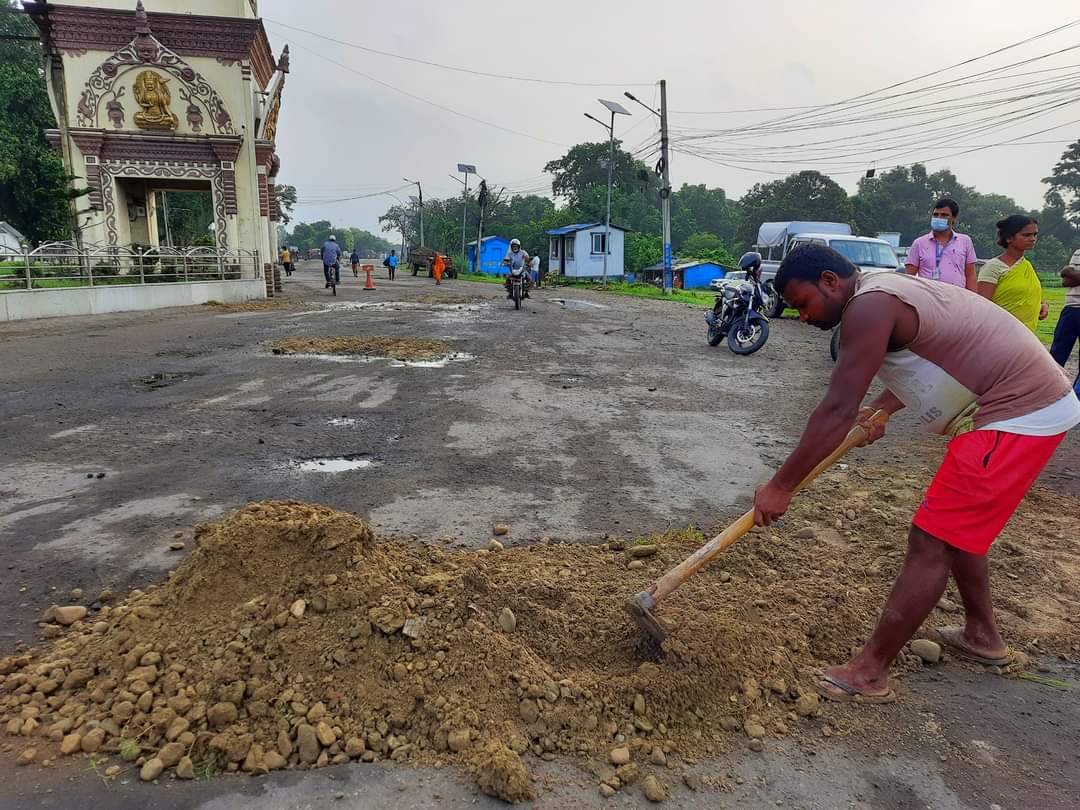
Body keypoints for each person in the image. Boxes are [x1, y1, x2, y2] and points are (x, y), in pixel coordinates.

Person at [756, 243, 1080, 703]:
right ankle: (982, 637)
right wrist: (884, 408)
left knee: (932, 539)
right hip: (1027, 407)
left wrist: (781, 485)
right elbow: (945, 351)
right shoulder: (884, 292)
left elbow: (835, 408)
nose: (803, 317)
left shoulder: (869, 306)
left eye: (802, 304)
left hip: (1016, 414)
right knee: (960, 531)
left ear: (830, 280)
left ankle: (869, 673)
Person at [976, 215, 1048, 332]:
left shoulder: (1027, 266)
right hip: (999, 333)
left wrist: (1042, 305)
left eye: (1034, 234)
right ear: (1009, 238)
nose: (1032, 239)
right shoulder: (993, 267)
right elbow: (982, 307)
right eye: (1026, 235)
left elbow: (1026, 296)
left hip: (1027, 335)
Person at [904, 198, 977, 291]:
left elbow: (970, 275)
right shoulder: (919, 243)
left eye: (944, 215)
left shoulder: (965, 241)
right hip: (928, 298)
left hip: (957, 298)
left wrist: (972, 301)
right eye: (935, 215)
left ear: (954, 218)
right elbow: (909, 277)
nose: (939, 218)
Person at [1050, 248, 1080, 395]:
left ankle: (1076, 399)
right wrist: (1067, 274)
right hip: (1071, 309)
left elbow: (1068, 275)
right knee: (1056, 356)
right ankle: (1048, 393)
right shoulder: (1078, 253)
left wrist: (1069, 271)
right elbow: (1066, 281)